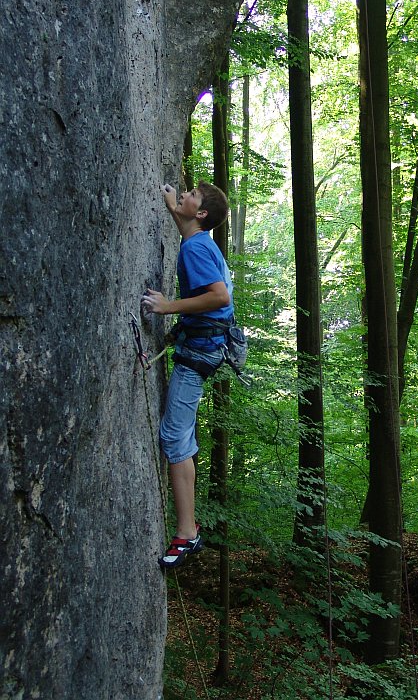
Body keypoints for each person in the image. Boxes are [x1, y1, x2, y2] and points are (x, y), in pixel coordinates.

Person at [142, 181, 234, 569]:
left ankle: (186, 533)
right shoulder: (198, 240)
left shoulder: (197, 247)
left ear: (200, 214)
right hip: (207, 348)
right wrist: (173, 208)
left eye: (191, 195)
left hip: (198, 353)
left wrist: (168, 307)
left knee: (173, 438)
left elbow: (219, 296)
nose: (184, 193)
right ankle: (188, 528)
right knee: (182, 434)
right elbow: (191, 234)